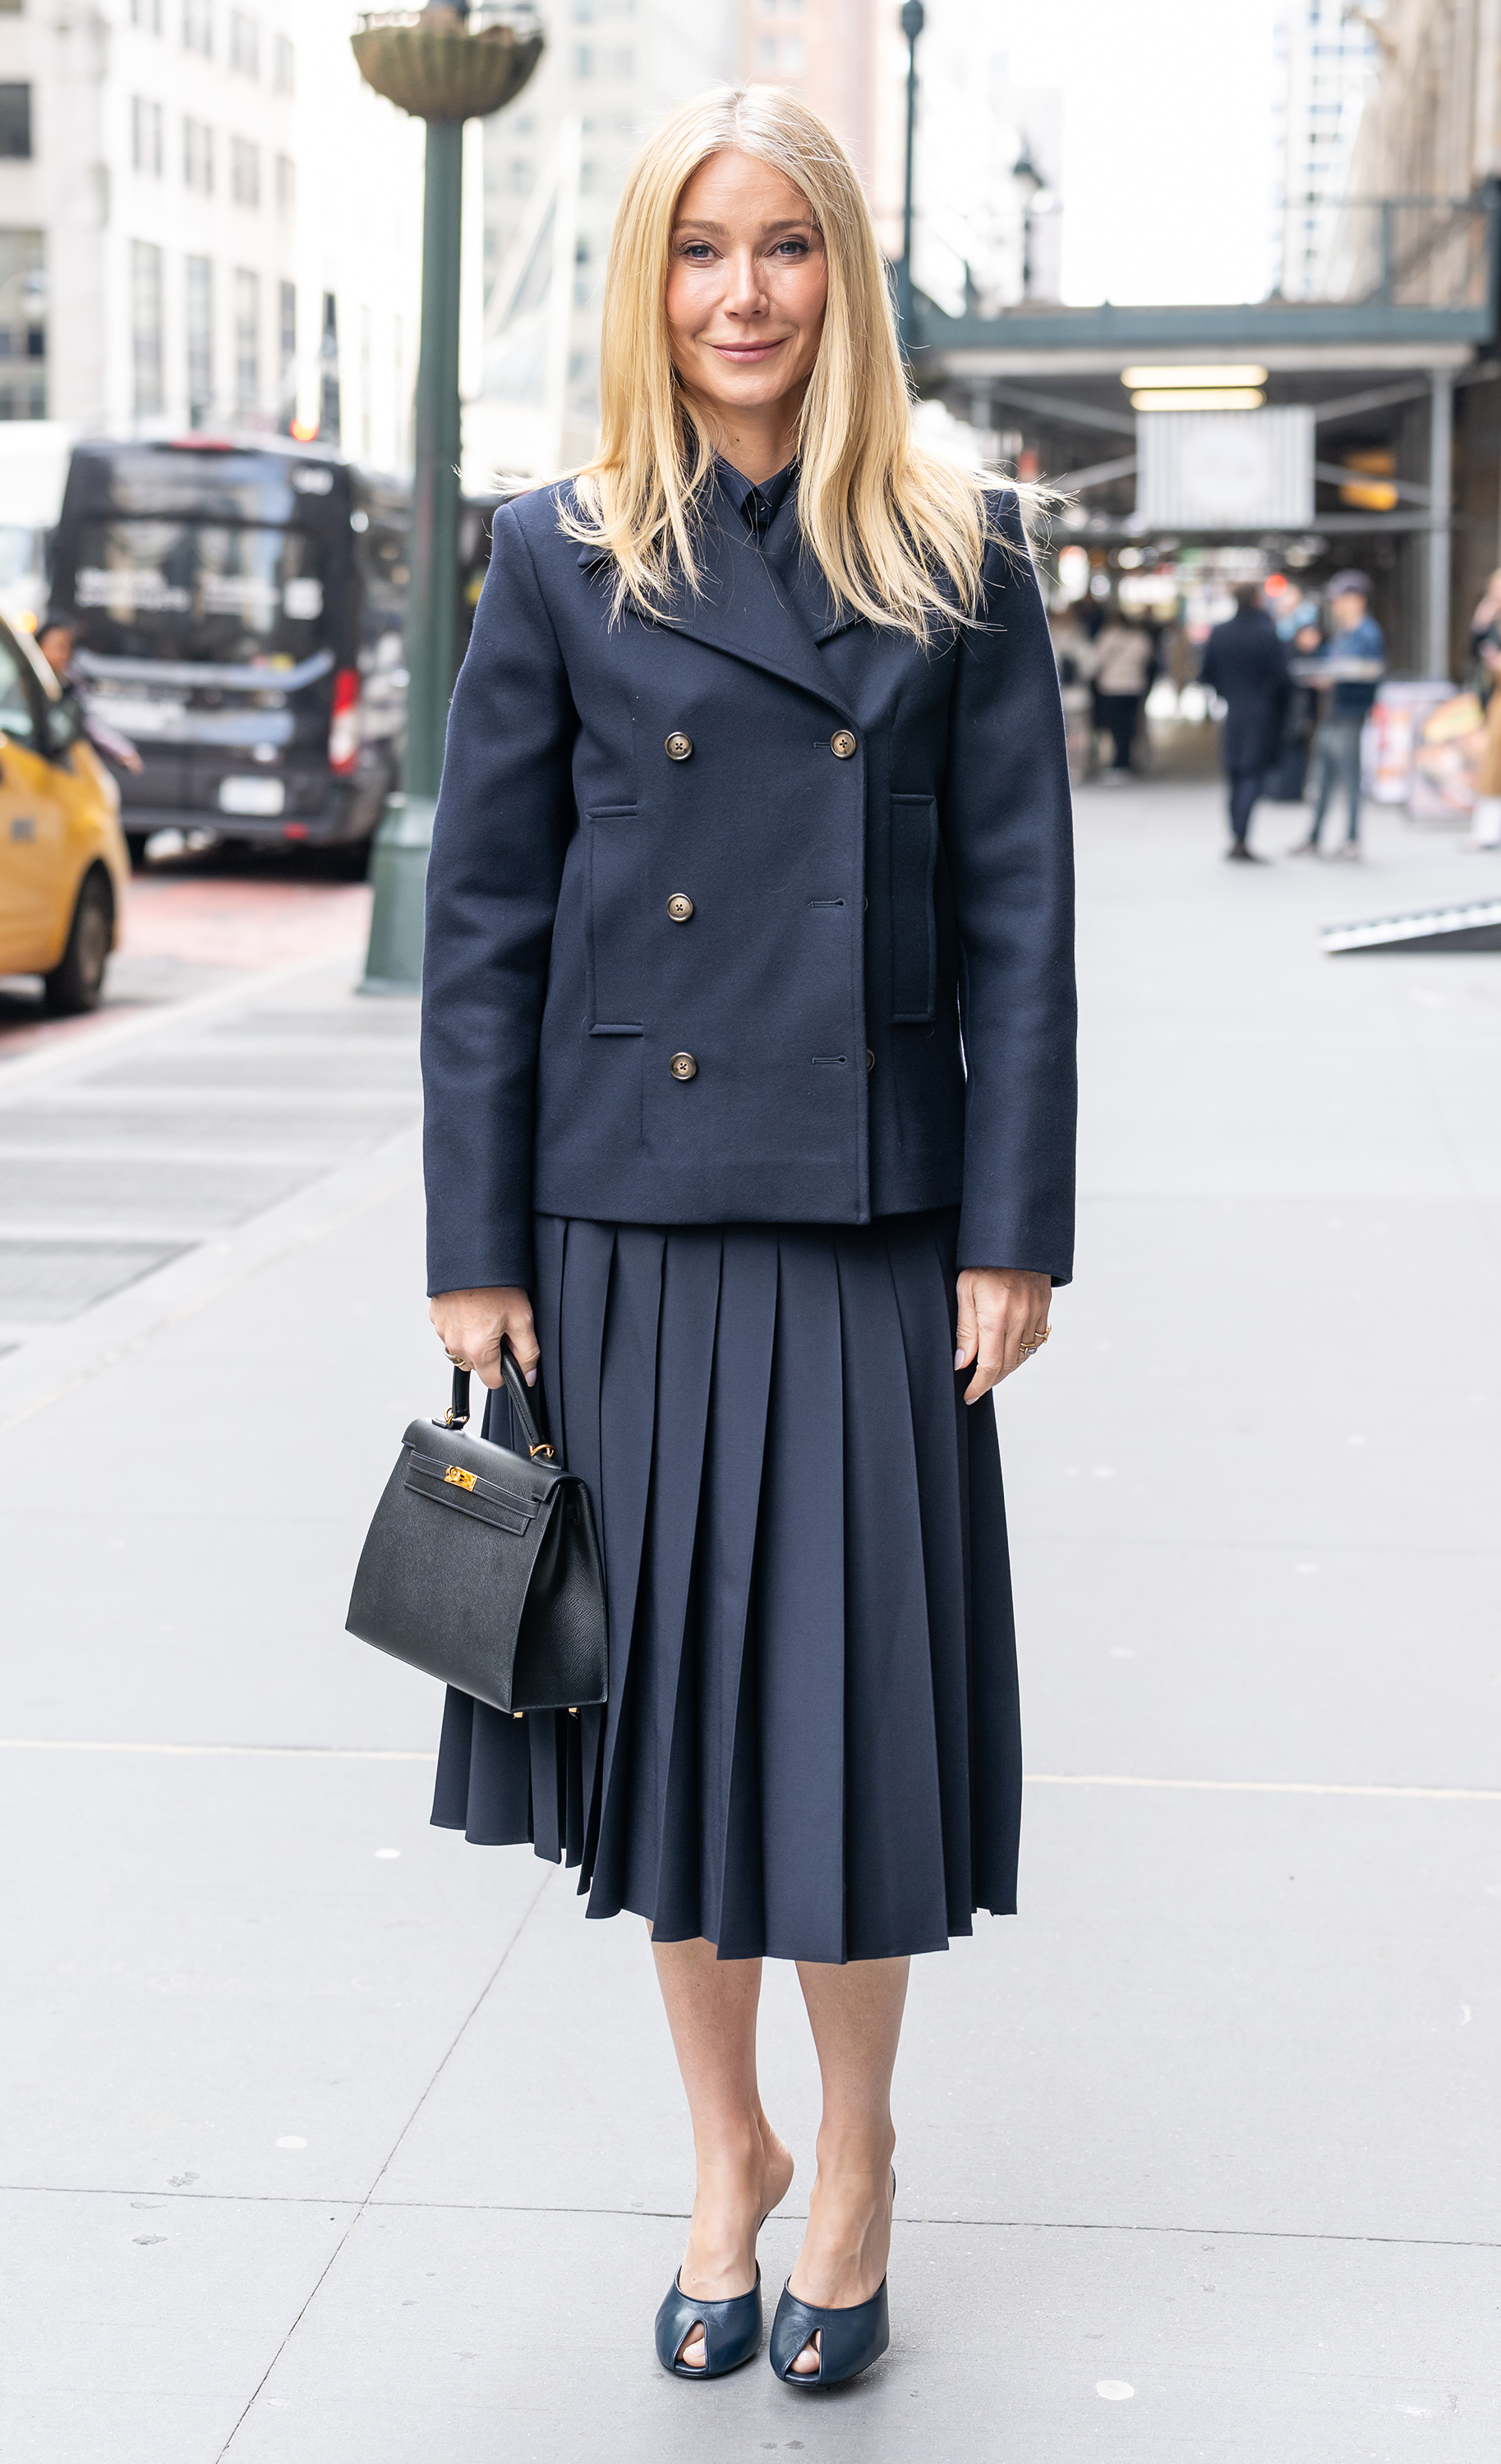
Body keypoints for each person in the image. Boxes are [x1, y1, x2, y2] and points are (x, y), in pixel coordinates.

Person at [418, 85, 1076, 2393]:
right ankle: (726, 2158)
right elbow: (484, 924)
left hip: (876, 1225)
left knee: (851, 1731)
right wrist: (470, 1249)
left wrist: (1019, 1226)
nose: (742, 295)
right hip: (624, 1216)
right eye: (702, 249)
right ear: (647, 278)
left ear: (842, 277)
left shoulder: (951, 546)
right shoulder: (559, 550)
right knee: (668, 1737)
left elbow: (1018, 918)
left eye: (785, 247)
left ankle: (860, 2153)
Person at [1291, 571, 1385, 859]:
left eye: (1338, 599)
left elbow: (1369, 671)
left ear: (1356, 600)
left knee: (1349, 778)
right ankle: (1314, 837)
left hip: (1349, 715)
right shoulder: (1344, 634)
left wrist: (1338, 675)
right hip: (1331, 714)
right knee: (1322, 779)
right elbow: (1330, 663)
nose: (1334, 606)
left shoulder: (1368, 633)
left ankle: (1352, 840)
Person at [1198, 582, 1290, 862]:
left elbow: (1206, 674)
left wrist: (1226, 691)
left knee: (1236, 774)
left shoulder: (1220, 633)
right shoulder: (1267, 634)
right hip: (1261, 711)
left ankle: (1236, 836)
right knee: (1251, 775)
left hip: (1233, 711)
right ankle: (1241, 838)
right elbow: (1283, 679)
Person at [35, 618, 144, 775]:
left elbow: (88, 722)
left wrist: (122, 750)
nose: (63, 655)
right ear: (38, 648)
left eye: (68, 649)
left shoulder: (71, 685)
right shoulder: (24, 684)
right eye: (58, 647)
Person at [1089, 608, 1153, 777]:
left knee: (1117, 727)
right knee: (1131, 725)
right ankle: (1129, 761)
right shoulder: (1139, 638)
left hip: (1112, 687)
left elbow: (1096, 661)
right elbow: (1146, 659)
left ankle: (1120, 763)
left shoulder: (1107, 637)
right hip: (1134, 686)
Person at [1463, 568, 1501, 851]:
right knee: (1491, 768)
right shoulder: (1490, 624)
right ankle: (1487, 831)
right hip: (1493, 700)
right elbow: (1472, 652)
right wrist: (1479, 623)